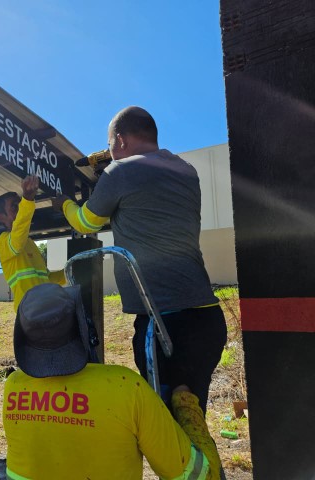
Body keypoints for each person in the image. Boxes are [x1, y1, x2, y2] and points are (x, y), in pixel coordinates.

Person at [53, 106, 226, 413]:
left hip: (162, 322)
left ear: (120, 140)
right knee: (190, 413)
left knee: (163, 422)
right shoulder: (185, 170)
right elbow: (146, 205)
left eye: (110, 144)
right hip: (206, 318)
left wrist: (64, 203)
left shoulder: (120, 171)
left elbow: (85, 222)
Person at [3, 282, 222, 480]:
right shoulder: (127, 388)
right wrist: (185, 402)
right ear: (84, 327)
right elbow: (198, 476)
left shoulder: (14, 386)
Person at [0, 175, 65, 311]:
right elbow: (18, 238)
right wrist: (27, 199)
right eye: (14, 206)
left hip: (46, 309)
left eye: (20, 203)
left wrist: (73, 268)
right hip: (29, 311)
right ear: (1, 217)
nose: (20, 207)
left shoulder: (29, 243)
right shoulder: (4, 241)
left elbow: (48, 278)